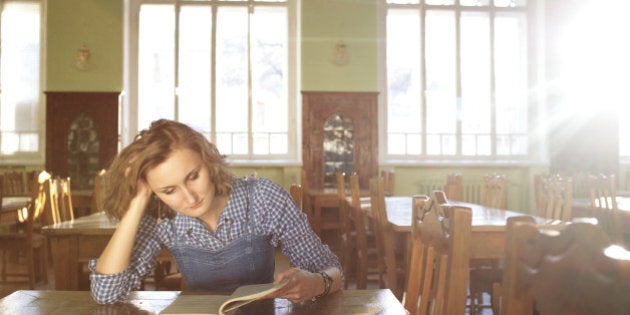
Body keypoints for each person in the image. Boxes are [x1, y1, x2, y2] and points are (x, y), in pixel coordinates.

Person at [89, 119, 343, 304]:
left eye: (193, 176)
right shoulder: (159, 216)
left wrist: (317, 282)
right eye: (169, 190)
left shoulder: (264, 197)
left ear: (208, 160)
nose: (190, 197)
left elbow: (332, 270)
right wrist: (137, 200)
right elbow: (106, 294)